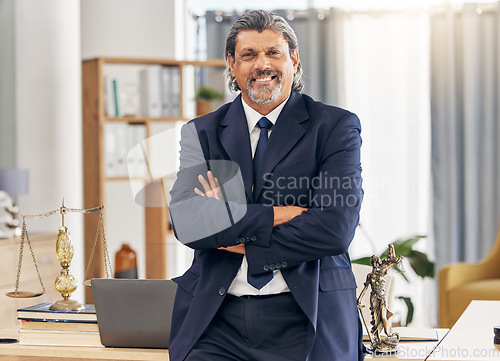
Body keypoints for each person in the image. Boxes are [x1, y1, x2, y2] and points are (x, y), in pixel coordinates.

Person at [168, 9, 364, 361]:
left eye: (273, 52)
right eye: (248, 55)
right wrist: (281, 214)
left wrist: (231, 228)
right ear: (231, 64)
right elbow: (188, 222)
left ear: (294, 59)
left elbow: (334, 228)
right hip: (217, 322)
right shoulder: (201, 132)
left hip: (306, 316)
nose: (262, 65)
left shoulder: (334, 127)